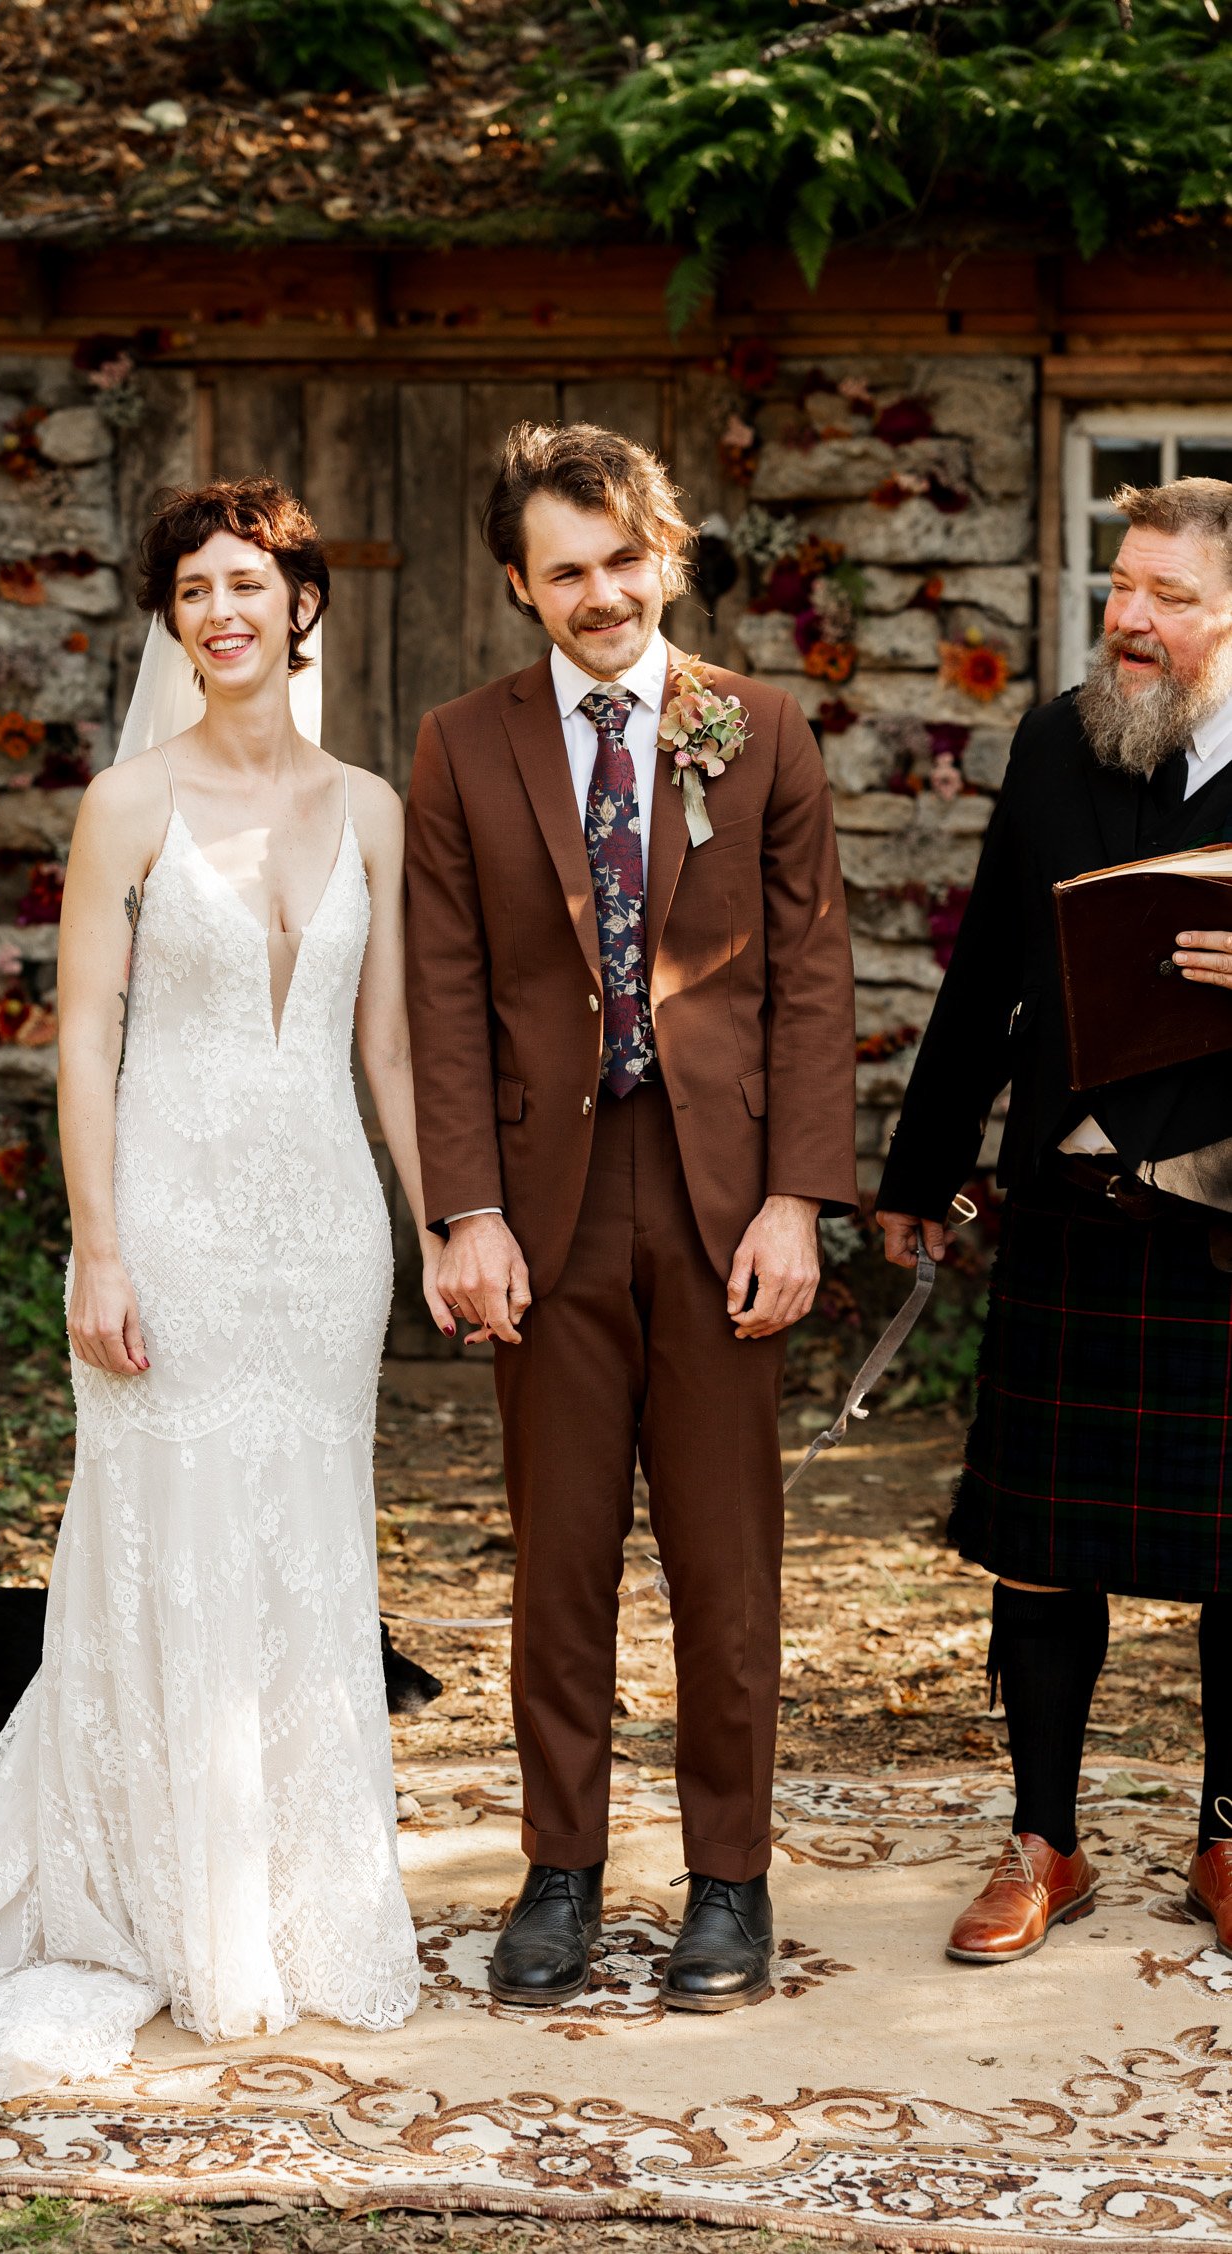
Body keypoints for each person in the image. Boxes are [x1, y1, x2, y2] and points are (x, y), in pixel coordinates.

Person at [0, 476, 437, 2123]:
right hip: (172, 1224)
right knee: (164, 1547)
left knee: (307, 1548)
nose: (223, 610)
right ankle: (161, 1899)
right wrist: (99, 1246)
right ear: (172, 619)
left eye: (250, 581)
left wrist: (450, 1220)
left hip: (323, 1240)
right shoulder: (128, 803)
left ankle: (299, 1902)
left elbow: (390, 1047)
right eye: (193, 586)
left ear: (304, 602)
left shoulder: (375, 811)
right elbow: (85, 1044)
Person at [404, 422, 856, 2013]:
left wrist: (798, 1198)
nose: (601, 594)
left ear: (664, 554)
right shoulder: (464, 745)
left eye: (622, 560)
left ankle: (729, 1880)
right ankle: (563, 1869)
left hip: (725, 1195)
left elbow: (812, 979)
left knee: (729, 1562)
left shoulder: (761, 729)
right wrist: (464, 1210)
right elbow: (443, 985)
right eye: (566, 570)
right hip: (546, 1206)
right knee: (562, 1555)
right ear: (522, 586)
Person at [877, 475, 1232, 1967]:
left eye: (1170, 598)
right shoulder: (1054, 742)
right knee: (1038, 1545)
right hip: (1074, 1201)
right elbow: (982, 980)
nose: (1131, 620)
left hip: (1226, 1220)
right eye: (1120, 587)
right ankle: (1048, 1837)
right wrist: (916, 1172)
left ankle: (1230, 1831)